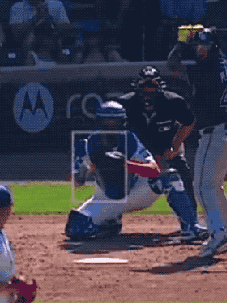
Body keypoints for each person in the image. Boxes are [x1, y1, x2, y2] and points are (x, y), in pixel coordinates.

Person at [168, 27, 227, 258]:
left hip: (215, 136)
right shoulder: (222, 64)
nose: (201, 50)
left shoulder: (205, 72)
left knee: (202, 188)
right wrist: (197, 41)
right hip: (226, 132)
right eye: (200, 46)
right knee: (214, 187)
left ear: (214, 48)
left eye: (206, 46)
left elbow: (173, 64)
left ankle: (218, 235)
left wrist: (182, 42)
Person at [117, 65, 207, 241]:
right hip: (136, 153)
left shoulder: (173, 102)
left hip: (166, 148)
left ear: (160, 86)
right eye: (144, 86)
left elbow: (189, 122)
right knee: (114, 175)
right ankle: (111, 218)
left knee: (182, 175)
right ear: (137, 86)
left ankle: (190, 222)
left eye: (152, 86)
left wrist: (175, 146)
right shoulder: (125, 103)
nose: (148, 91)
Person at [65, 101, 162, 241]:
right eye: (106, 122)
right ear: (99, 122)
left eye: (115, 122)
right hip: (106, 196)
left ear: (122, 122)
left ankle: (189, 225)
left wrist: (125, 165)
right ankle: (110, 223)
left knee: (167, 178)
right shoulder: (90, 143)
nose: (111, 126)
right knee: (76, 228)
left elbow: (154, 170)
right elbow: (77, 183)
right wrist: (81, 168)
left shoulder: (130, 139)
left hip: (134, 193)